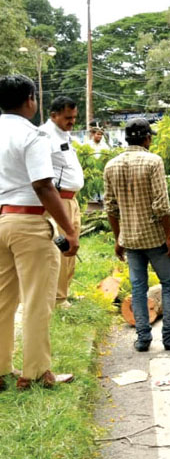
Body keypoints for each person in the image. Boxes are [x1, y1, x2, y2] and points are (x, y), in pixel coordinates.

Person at [0, 75, 78, 390]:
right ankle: (35, 373)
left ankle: (2, 367)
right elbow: (43, 185)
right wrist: (69, 230)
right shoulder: (32, 135)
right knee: (37, 300)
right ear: (31, 99)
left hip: (2, 219)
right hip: (29, 223)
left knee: (4, 300)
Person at [104, 118, 170, 352]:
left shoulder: (111, 165)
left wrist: (118, 239)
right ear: (147, 138)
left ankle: (142, 339)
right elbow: (161, 204)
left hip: (130, 239)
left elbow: (110, 206)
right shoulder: (153, 161)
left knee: (138, 288)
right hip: (155, 237)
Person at [40, 96, 84, 308]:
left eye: (74, 117)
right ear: (53, 115)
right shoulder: (44, 136)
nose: (72, 122)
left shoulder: (64, 135)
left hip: (71, 200)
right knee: (63, 246)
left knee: (71, 249)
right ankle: (57, 298)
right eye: (68, 117)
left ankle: (64, 292)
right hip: (59, 200)